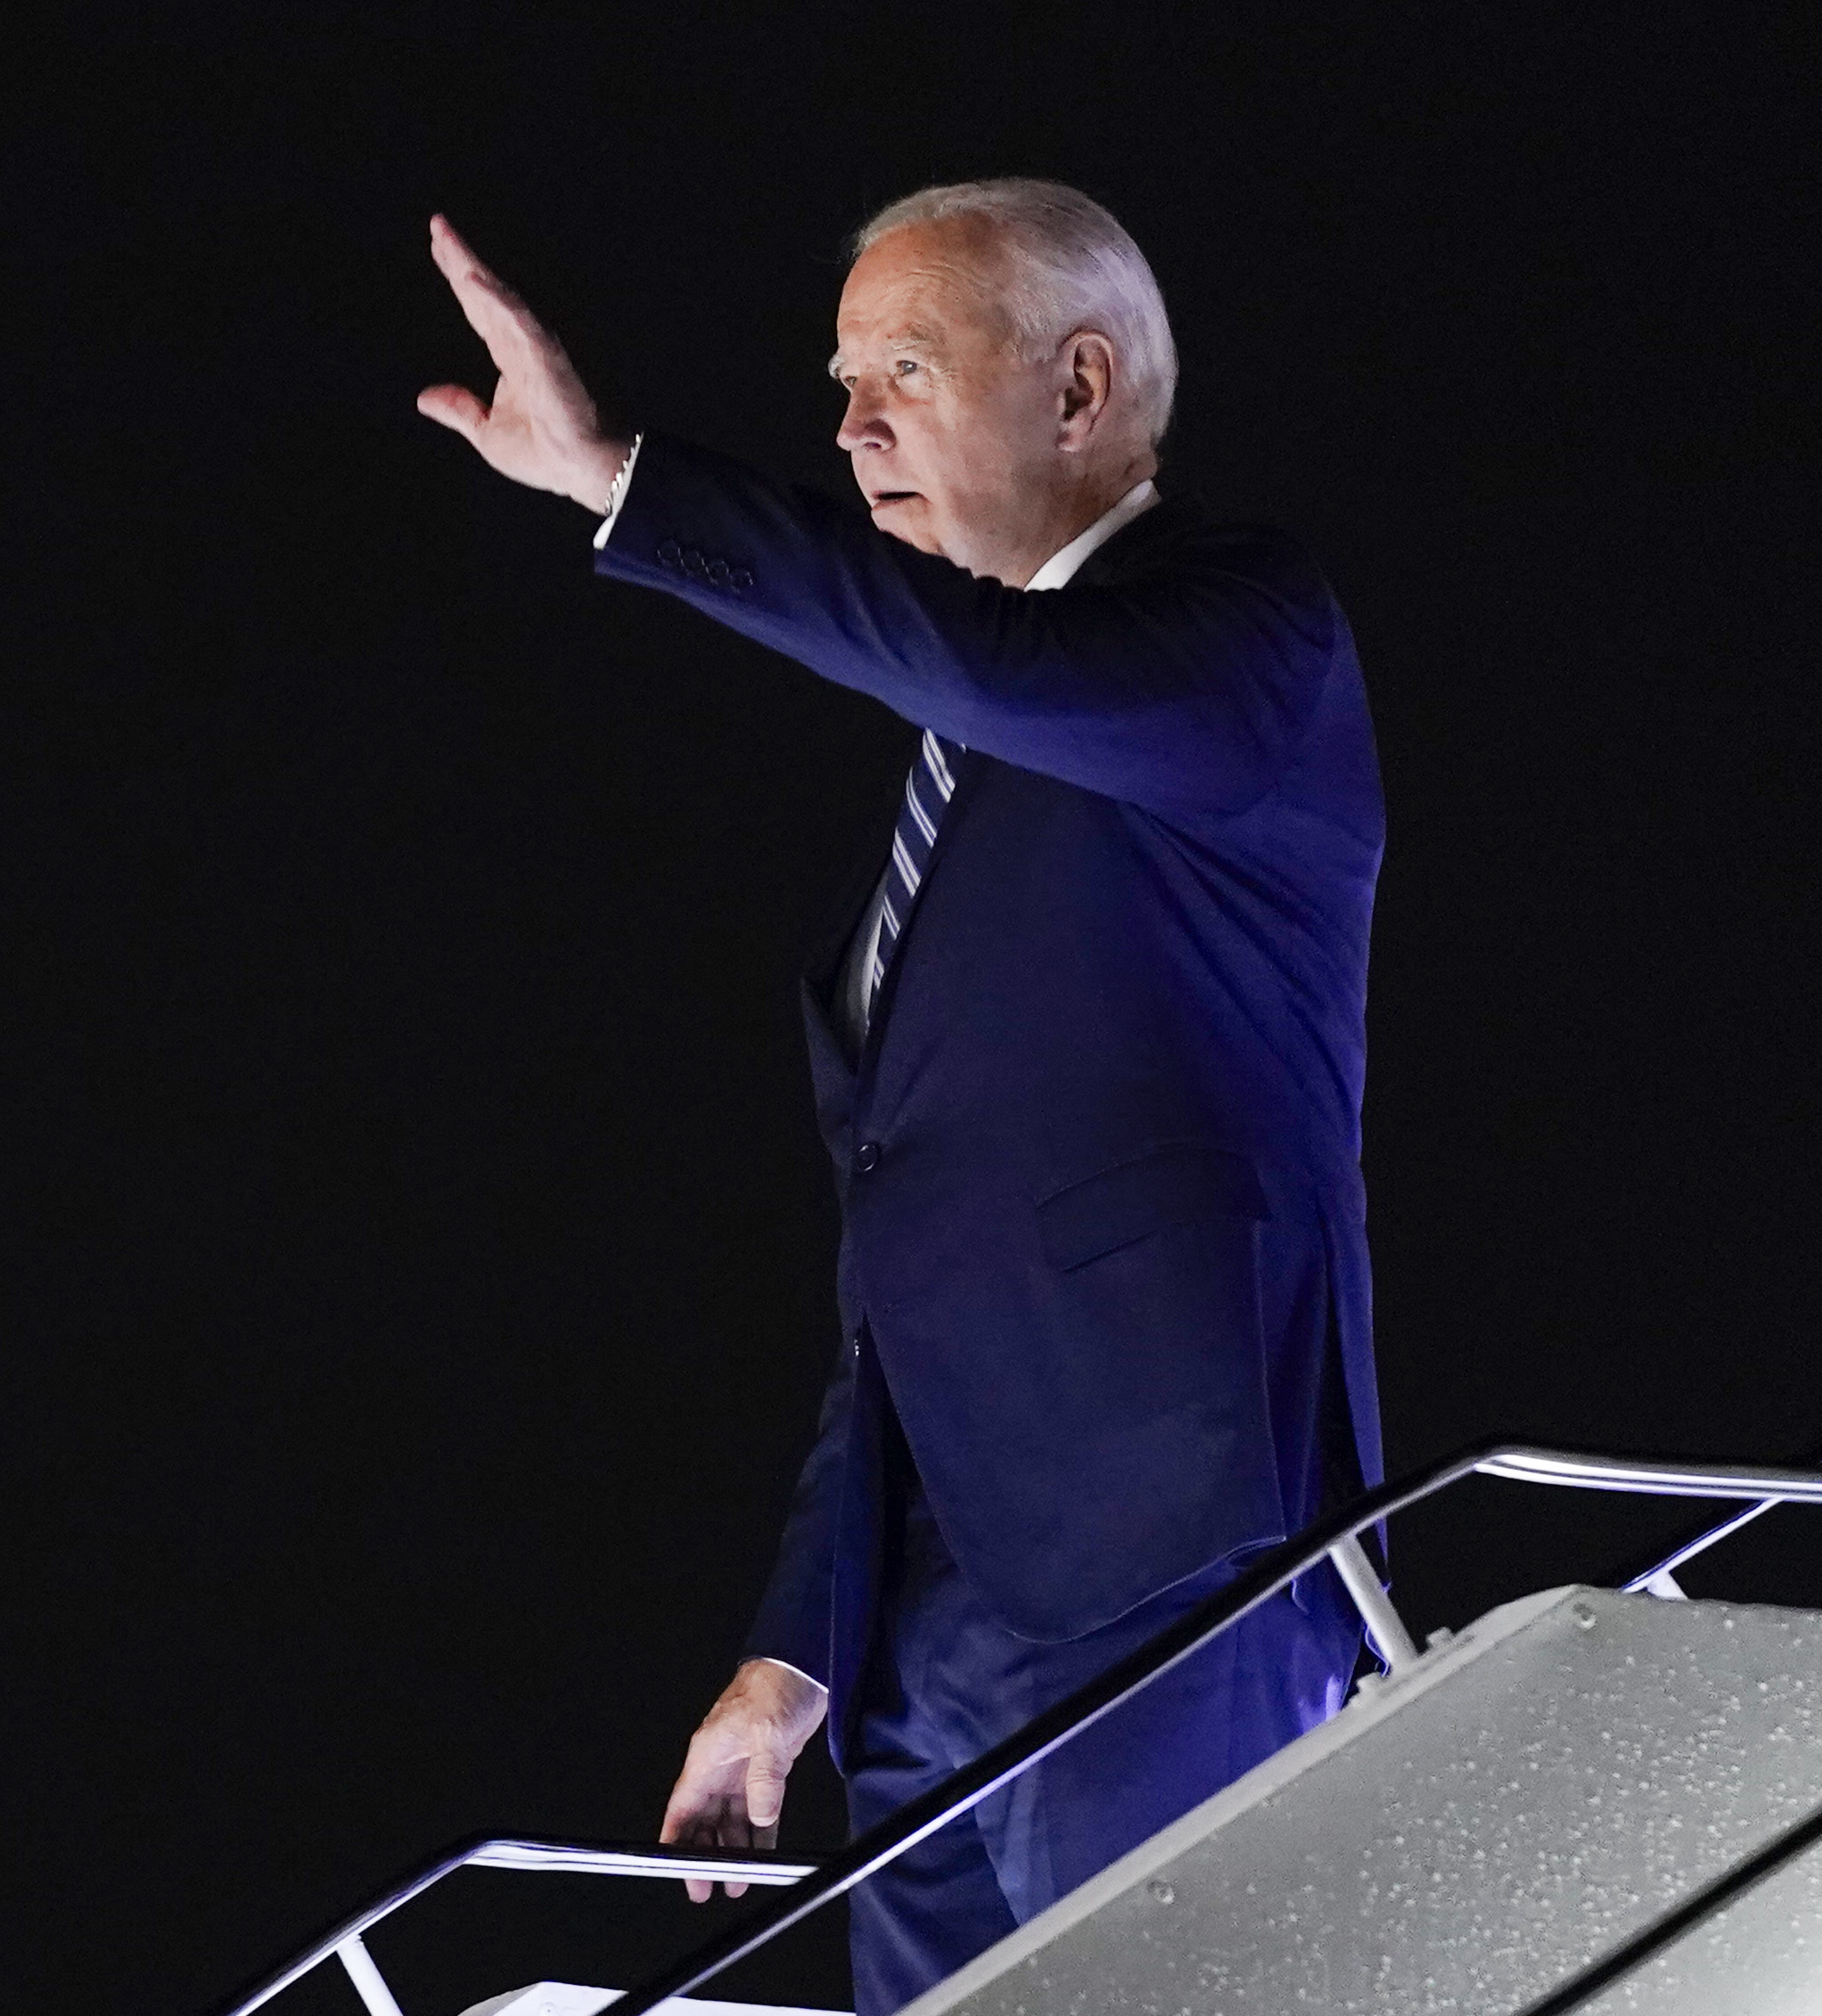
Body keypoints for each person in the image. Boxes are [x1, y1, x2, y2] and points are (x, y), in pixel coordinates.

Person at [416, 179, 1384, 2012]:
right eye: (838, 379)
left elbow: (994, 661)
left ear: (1077, 390)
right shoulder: (957, 783)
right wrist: (795, 1658)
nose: (850, 427)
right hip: (920, 1651)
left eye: (903, 372)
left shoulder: (1241, 648)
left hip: (1166, 1569)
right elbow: (906, 1289)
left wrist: (628, 486)